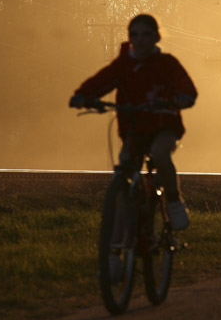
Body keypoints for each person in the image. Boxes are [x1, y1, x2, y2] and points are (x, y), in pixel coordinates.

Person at [69, 14, 198, 230]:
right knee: (124, 175)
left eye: (146, 35)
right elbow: (102, 80)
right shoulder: (123, 65)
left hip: (163, 126)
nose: (140, 40)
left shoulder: (167, 64)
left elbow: (186, 87)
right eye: (134, 35)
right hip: (134, 130)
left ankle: (174, 202)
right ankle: (117, 246)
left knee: (159, 153)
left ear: (157, 37)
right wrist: (83, 96)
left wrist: (181, 98)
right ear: (129, 38)